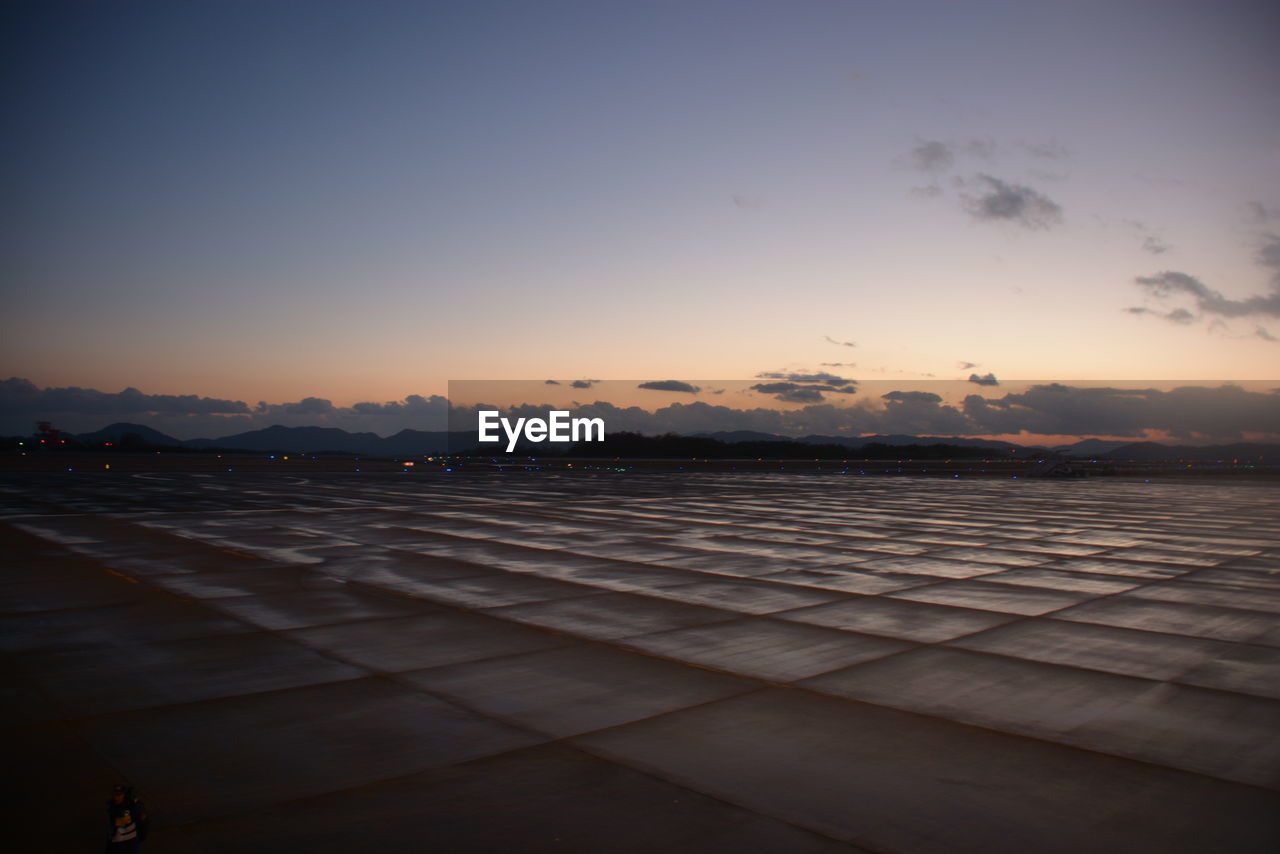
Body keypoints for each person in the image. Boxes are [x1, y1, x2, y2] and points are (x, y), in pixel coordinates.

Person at [105, 784, 148, 852]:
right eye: (115, 795)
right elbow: (113, 823)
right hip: (117, 841)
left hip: (130, 841)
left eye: (119, 795)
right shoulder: (111, 806)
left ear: (124, 795)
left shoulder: (133, 805)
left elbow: (142, 818)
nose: (116, 798)